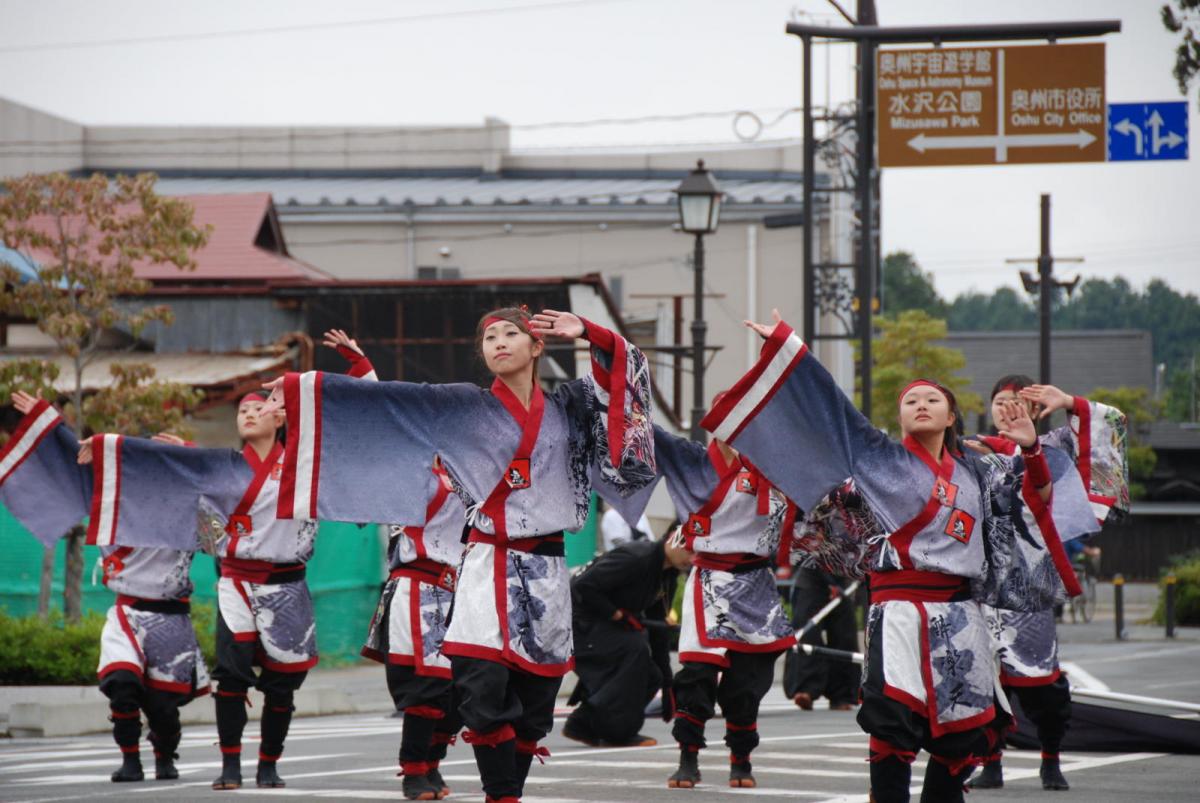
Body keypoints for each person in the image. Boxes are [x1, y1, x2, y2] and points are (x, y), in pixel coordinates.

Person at [700, 311, 1099, 803]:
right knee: (892, 724)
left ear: (952, 416)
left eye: (934, 399)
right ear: (901, 415)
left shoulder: (981, 469)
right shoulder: (879, 458)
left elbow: (1035, 500)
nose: (922, 405)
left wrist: (1033, 448)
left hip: (960, 614)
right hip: (897, 613)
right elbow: (832, 410)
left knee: (960, 735)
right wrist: (790, 346)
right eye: (911, 400)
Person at [262, 307, 655, 803]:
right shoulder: (462, 406)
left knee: (534, 707)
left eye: (512, 334)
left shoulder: (569, 407)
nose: (499, 343)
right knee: (480, 687)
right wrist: (308, 390)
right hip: (484, 565)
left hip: (547, 572)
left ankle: (504, 791)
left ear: (538, 347)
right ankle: (477, 788)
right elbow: (394, 405)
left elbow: (623, 384)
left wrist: (593, 335)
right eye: (489, 336)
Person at [77, 391, 321, 791]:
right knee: (232, 676)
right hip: (236, 583)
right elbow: (167, 476)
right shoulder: (222, 469)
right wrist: (106, 447)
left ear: (279, 418)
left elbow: (343, 439)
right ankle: (229, 766)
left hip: (287, 584)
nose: (247, 414)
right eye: (242, 410)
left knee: (281, 684)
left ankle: (268, 763)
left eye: (257, 408)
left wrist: (344, 375)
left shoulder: (302, 464)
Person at [0, 392, 210, 783]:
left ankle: (165, 754)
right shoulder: (111, 498)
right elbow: (72, 459)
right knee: (122, 685)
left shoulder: (190, 506)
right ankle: (130, 759)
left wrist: (190, 455)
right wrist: (48, 422)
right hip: (127, 612)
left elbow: (220, 520)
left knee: (163, 706)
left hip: (171, 619)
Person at [964, 376, 1129, 792]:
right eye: (1000, 402)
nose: (1008, 409)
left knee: (1041, 681)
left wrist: (1070, 402)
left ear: (1037, 408)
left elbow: (1111, 423)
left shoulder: (1053, 443)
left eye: (1018, 402)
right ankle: (991, 761)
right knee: (980, 677)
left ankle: (1050, 757)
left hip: (1030, 579)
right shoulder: (969, 448)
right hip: (978, 580)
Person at [324, 328, 466, 801]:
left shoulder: (474, 469)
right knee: (426, 685)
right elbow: (382, 422)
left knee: (463, 690)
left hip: (465, 591)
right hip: (418, 584)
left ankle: (433, 764)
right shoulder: (413, 467)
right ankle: (414, 772)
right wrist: (363, 368)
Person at [641, 422, 798, 789]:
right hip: (709, 578)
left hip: (756, 581)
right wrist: (616, 379)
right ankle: (688, 756)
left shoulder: (773, 466)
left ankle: (741, 758)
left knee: (747, 681)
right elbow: (647, 430)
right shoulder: (691, 460)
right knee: (697, 673)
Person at [563, 530, 690, 748]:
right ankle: (619, 733)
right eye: (691, 550)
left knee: (652, 676)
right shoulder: (637, 558)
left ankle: (584, 724)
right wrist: (617, 614)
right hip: (576, 623)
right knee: (635, 649)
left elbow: (658, 629)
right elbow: (582, 586)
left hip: (605, 626)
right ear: (673, 540)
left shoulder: (667, 575)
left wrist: (668, 684)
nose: (694, 558)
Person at [781, 566, 859, 712]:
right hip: (811, 580)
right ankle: (805, 690)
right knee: (807, 636)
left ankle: (841, 695)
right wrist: (830, 583)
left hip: (843, 580)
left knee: (844, 637)